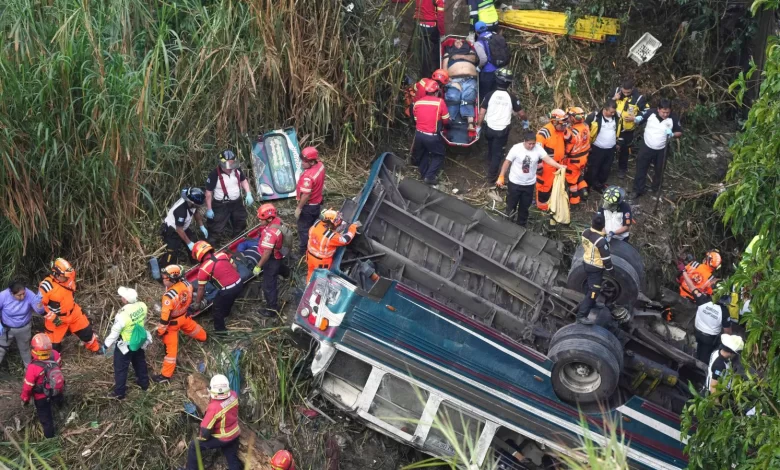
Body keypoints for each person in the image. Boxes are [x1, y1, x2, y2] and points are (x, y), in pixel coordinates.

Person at [497, 131, 564, 226]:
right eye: (529, 144)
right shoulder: (516, 148)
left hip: (529, 185)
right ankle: (507, 223)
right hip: (515, 183)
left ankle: (521, 225)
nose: (531, 146)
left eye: (533, 144)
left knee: (524, 207)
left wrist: (559, 166)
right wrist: (501, 176)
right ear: (525, 141)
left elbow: (547, 159)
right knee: (511, 205)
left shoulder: (538, 149)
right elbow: (507, 162)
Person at [153, 265, 206, 383]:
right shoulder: (187, 284)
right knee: (195, 330)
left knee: (170, 352)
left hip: (172, 324)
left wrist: (160, 331)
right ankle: (204, 337)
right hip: (185, 316)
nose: (163, 279)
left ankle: (165, 376)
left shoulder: (168, 297)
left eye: (165, 277)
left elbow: (164, 319)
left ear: (172, 279)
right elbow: (191, 297)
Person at [38, 258, 102, 354]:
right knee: (53, 346)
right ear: (56, 274)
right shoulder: (46, 286)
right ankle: (54, 363)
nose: (68, 278)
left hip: (73, 313)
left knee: (87, 333)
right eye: (65, 276)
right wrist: (53, 318)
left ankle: (96, 349)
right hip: (56, 318)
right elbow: (39, 306)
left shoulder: (69, 278)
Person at [477, 68, 527, 184]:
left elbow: (482, 113)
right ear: (508, 83)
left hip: (488, 128)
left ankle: (489, 162)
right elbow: (521, 114)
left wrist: (478, 126)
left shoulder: (490, 95)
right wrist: (525, 121)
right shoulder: (512, 97)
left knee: (490, 145)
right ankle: (491, 178)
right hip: (502, 131)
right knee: (497, 154)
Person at [181, 374, 242, 470]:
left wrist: (202, 438)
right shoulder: (233, 395)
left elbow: (205, 430)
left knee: (194, 446)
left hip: (222, 437)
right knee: (232, 459)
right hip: (235, 433)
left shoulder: (214, 407)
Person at [630, 99, 683, 199]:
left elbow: (679, 132)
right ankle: (638, 189)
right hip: (647, 146)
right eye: (663, 112)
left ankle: (655, 188)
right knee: (641, 168)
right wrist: (637, 119)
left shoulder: (673, 118)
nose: (665, 114)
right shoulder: (651, 113)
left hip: (662, 149)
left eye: (667, 112)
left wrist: (672, 134)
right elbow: (641, 118)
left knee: (660, 169)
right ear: (658, 109)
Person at [104, 287, 150, 399]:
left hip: (125, 344)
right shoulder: (142, 306)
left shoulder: (122, 315)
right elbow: (143, 320)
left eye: (122, 297)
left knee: (120, 368)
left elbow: (115, 333)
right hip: (138, 340)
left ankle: (120, 392)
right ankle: (144, 383)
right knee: (140, 361)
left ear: (125, 300)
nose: (121, 298)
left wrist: (106, 344)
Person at [204, 150, 254, 245]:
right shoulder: (214, 175)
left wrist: (248, 193)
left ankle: (238, 241)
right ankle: (213, 247)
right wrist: (209, 209)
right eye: (228, 165)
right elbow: (208, 193)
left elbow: (243, 181)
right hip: (221, 205)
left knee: (240, 221)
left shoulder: (237, 170)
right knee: (216, 227)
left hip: (236, 203)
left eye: (232, 163)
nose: (230, 167)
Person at [192, 241, 243, 332]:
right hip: (239, 283)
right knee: (229, 299)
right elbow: (234, 266)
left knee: (217, 309)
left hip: (227, 290)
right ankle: (226, 313)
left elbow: (201, 288)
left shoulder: (203, 269)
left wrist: (197, 303)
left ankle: (220, 332)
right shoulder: (222, 254)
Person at [682, 272, 732, 363]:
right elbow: (727, 333)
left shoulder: (703, 299)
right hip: (709, 340)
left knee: (698, 348)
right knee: (704, 359)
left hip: (697, 332)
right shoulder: (724, 312)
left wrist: (683, 271)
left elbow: (691, 287)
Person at [21, 334, 64, 438]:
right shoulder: (55, 355)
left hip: (41, 397)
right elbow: (59, 367)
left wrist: (25, 399)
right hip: (57, 388)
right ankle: (61, 408)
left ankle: (50, 438)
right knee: (58, 400)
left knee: (46, 418)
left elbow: (28, 386)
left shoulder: (33, 367)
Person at [251, 204, 291, 318]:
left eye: (261, 219)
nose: (259, 220)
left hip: (272, 258)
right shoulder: (277, 221)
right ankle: (286, 272)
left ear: (269, 218)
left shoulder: (270, 234)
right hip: (278, 254)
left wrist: (258, 266)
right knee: (279, 266)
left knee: (268, 285)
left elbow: (267, 253)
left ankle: (272, 309)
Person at [575, 212, 613, 324]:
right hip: (596, 267)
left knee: (589, 285)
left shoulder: (585, 232)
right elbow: (606, 259)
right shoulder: (601, 241)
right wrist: (611, 271)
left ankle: (592, 303)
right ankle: (581, 315)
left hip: (586, 263)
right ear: (603, 226)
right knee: (594, 291)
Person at [412, 80, 450, 185]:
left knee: (423, 154)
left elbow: (416, 119)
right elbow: (446, 119)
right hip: (431, 136)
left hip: (419, 135)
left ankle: (423, 175)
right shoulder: (439, 102)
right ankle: (429, 177)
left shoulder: (417, 103)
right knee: (439, 155)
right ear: (437, 91)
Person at [307, 210, 361, 282]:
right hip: (321, 263)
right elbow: (345, 240)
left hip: (310, 256)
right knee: (320, 279)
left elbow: (326, 231)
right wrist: (352, 228)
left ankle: (308, 285)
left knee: (311, 274)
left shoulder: (316, 224)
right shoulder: (330, 237)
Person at [0, 281, 45, 367]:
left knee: (25, 350)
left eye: (23, 293)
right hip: (6, 329)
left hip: (23, 328)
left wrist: (39, 304)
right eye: (19, 295)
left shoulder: (29, 294)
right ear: (12, 294)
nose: (23, 296)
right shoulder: (3, 296)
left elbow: (39, 311)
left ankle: (29, 373)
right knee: (1, 349)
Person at [159, 187, 208, 266]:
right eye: (197, 205)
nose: (199, 206)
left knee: (195, 245)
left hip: (183, 227)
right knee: (171, 252)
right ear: (192, 202)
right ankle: (166, 270)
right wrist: (188, 243)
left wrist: (201, 225)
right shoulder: (181, 211)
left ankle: (196, 263)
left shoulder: (192, 205)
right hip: (173, 230)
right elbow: (179, 229)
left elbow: (195, 212)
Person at [613, 79, 649, 178]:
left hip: (627, 130)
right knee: (609, 147)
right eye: (624, 92)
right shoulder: (616, 91)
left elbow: (647, 111)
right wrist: (613, 98)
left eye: (628, 92)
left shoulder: (639, 98)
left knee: (624, 150)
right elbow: (607, 105)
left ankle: (622, 170)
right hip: (612, 126)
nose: (625, 94)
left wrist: (636, 118)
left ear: (632, 89)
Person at [535, 109, 570, 211]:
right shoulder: (543, 133)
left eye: (565, 124)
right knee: (544, 188)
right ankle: (542, 208)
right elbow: (537, 152)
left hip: (559, 165)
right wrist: (539, 168)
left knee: (556, 187)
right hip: (547, 167)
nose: (564, 127)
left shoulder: (562, 130)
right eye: (562, 124)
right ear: (554, 122)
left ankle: (552, 204)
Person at [295, 146, 326, 257]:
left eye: (305, 161)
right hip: (317, 203)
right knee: (314, 226)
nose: (302, 163)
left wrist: (299, 208)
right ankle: (314, 243)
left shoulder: (308, 177)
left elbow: (306, 195)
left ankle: (304, 252)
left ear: (312, 162)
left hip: (308, 207)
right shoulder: (320, 166)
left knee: (303, 229)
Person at [584, 100, 618, 192]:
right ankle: (587, 185)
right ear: (605, 109)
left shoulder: (616, 117)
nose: (613, 113)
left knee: (606, 168)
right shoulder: (594, 117)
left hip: (610, 149)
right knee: (593, 167)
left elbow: (619, 129)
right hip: (597, 148)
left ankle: (599, 184)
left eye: (614, 112)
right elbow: (584, 130)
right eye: (611, 112)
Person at [564, 106, 591, 205]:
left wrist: (565, 155)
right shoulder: (586, 126)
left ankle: (574, 200)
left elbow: (568, 146)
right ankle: (584, 190)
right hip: (584, 157)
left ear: (573, 117)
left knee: (571, 180)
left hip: (574, 159)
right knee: (579, 175)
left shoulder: (572, 131)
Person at [414, 0, 446, 79]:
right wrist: (442, 31)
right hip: (431, 26)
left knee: (423, 53)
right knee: (435, 52)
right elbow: (440, 15)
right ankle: (436, 75)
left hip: (419, 25)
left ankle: (424, 77)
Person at [473, 22, 499, 97]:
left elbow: (483, 59)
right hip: (498, 69)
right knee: (495, 93)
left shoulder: (478, 43)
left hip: (488, 72)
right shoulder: (495, 35)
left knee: (485, 95)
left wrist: (479, 67)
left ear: (476, 32)